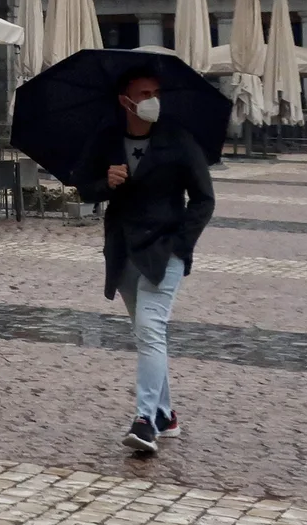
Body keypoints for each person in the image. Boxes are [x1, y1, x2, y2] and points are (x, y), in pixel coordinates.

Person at [73, 65, 214, 455]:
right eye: (144, 93)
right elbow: (83, 188)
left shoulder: (178, 139)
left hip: (163, 248)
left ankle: (145, 421)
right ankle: (166, 414)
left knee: (151, 329)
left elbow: (204, 199)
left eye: (156, 92)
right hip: (123, 250)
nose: (152, 100)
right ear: (126, 100)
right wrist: (107, 182)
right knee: (146, 333)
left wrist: (180, 246)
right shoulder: (106, 139)